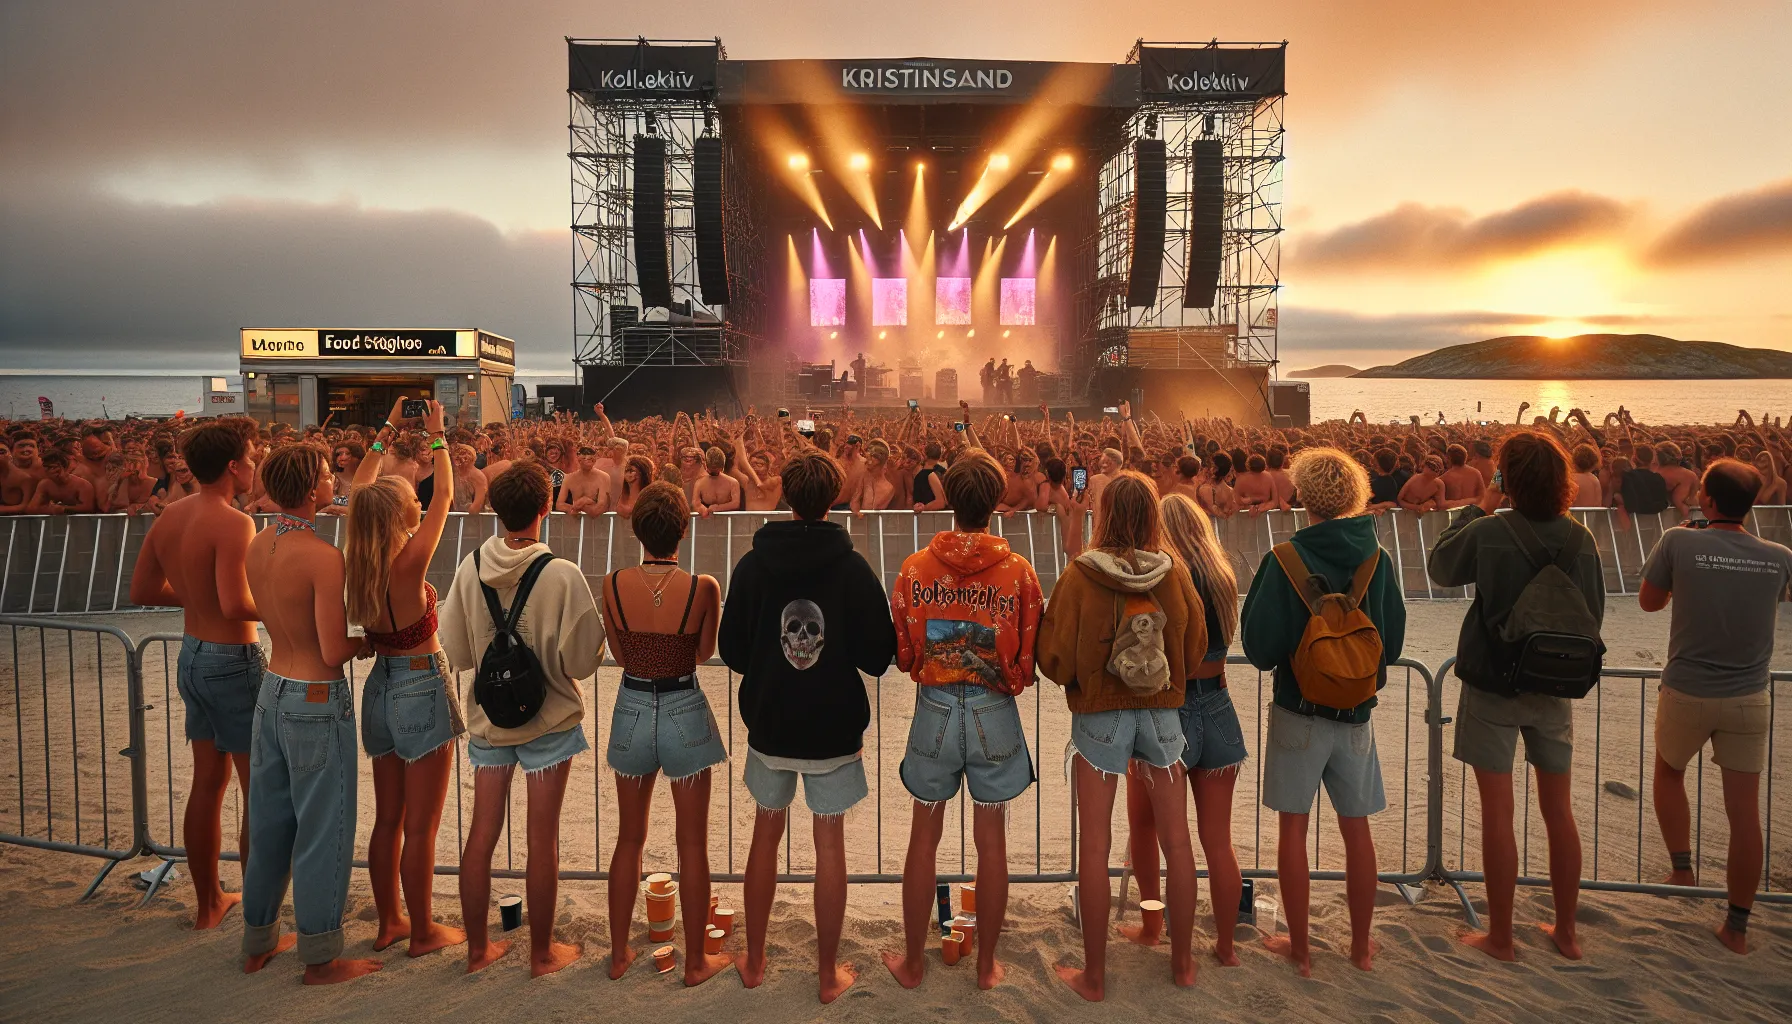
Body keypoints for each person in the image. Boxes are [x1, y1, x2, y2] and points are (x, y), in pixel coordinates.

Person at [719, 450, 896, 1003]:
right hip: (832, 726)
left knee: (764, 837)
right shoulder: (852, 567)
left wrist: (771, 663)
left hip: (771, 721)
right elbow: (879, 655)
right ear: (833, 498)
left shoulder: (753, 564)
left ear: (788, 498)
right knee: (830, 847)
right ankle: (825, 973)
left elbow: (732, 650)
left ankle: (753, 958)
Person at [1427, 431, 1600, 961]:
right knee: (1559, 812)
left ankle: (1500, 937)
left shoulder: (1493, 531)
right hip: (1553, 685)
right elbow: (1591, 613)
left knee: (1497, 813)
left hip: (1494, 684)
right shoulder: (1580, 540)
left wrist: (1481, 506)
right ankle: (1565, 933)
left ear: (1508, 479)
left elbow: (1440, 567)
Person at [1038, 471, 1206, 1000]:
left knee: (1095, 844)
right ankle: (1182, 964)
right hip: (1162, 711)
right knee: (1178, 841)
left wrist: (1085, 675)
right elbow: (1195, 647)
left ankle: (1095, 975)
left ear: (1104, 514)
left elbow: (1055, 656)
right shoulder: (1173, 573)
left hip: (1100, 716)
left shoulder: (1083, 576)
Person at [881, 450, 1043, 991]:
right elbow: (1026, 661)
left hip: (935, 712)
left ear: (948, 499)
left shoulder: (914, 569)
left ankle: (913, 963)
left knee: (922, 839)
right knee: (990, 842)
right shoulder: (1018, 572)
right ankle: (986, 966)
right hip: (994, 710)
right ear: (996, 501)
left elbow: (904, 655)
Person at [1241, 447, 1404, 977]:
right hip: (1356, 712)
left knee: (1294, 829)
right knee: (1357, 830)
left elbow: (1262, 648)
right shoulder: (1377, 560)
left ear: (1302, 497)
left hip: (1299, 708)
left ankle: (1302, 949)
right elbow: (1393, 643)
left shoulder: (1285, 559)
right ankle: (1360, 947)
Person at [441, 463, 604, 977]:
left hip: (491, 721)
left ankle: (476, 951)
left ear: (493, 508)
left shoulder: (469, 568)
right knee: (542, 838)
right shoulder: (562, 574)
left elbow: (457, 652)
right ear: (545, 508)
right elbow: (582, 662)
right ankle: (540, 953)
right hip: (549, 721)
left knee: (481, 835)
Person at [239, 443, 381, 983]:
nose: (332, 481)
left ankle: (258, 939)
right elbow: (330, 649)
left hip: (272, 688)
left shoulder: (258, 544)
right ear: (310, 488)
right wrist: (365, 643)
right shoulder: (323, 556)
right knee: (324, 828)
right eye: (326, 475)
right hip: (315, 699)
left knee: (271, 822)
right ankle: (320, 956)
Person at [1640, 459, 1792, 955]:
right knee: (1745, 813)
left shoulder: (1679, 540)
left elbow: (1648, 602)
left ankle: (1682, 869)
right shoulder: (1779, 555)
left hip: (1687, 688)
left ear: (1705, 500)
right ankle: (1737, 927)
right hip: (1749, 694)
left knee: (1669, 773)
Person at [344, 400, 467, 958]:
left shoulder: (359, 559)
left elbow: (359, 492)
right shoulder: (407, 564)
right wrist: (437, 435)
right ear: (398, 516)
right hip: (420, 681)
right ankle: (421, 932)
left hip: (379, 686)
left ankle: (389, 920)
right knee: (422, 826)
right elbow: (443, 496)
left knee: (387, 819)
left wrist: (386, 433)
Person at [128, 420, 261, 930]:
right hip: (231, 659)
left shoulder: (172, 515)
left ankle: (208, 904)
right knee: (258, 789)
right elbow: (235, 605)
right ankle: (258, 910)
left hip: (191, 653)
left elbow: (142, 590)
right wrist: (283, 606)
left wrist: (197, 597)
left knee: (207, 783)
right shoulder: (233, 522)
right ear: (232, 466)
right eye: (250, 458)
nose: (253, 466)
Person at [600, 482, 731, 984]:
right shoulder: (703, 587)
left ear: (637, 529)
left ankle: (617, 954)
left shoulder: (612, 584)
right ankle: (695, 961)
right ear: (683, 527)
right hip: (682, 704)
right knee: (691, 843)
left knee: (628, 838)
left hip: (632, 704)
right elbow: (702, 652)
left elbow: (618, 654)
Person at [1122, 492, 1246, 967]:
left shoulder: (1163, 577)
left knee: (1150, 829)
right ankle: (1227, 947)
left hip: (1168, 708)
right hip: (1218, 703)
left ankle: (1156, 930)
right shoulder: (1222, 576)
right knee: (1218, 841)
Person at [27, 450, 97, 513]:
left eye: (53, 467)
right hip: (52, 523)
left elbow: (88, 508)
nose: (51, 471)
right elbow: (31, 508)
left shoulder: (83, 485)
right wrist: (51, 509)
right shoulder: (44, 484)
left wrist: (64, 509)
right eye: (47, 467)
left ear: (64, 467)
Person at [692, 444, 742, 516]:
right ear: (706, 466)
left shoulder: (733, 482)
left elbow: (736, 503)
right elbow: (695, 503)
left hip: (728, 522)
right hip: (706, 522)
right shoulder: (699, 483)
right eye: (712, 469)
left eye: (716, 469)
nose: (714, 472)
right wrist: (701, 509)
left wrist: (719, 508)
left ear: (722, 467)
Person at [449, 443, 488, 513]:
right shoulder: (452, 473)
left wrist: (470, 513)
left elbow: (478, 504)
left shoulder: (478, 476)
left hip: (472, 518)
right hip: (453, 515)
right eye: (459, 454)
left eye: (466, 454)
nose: (462, 457)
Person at [910, 441, 947, 513]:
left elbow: (940, 503)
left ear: (924, 455)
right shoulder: (944, 472)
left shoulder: (929, 475)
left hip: (929, 519)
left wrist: (923, 508)